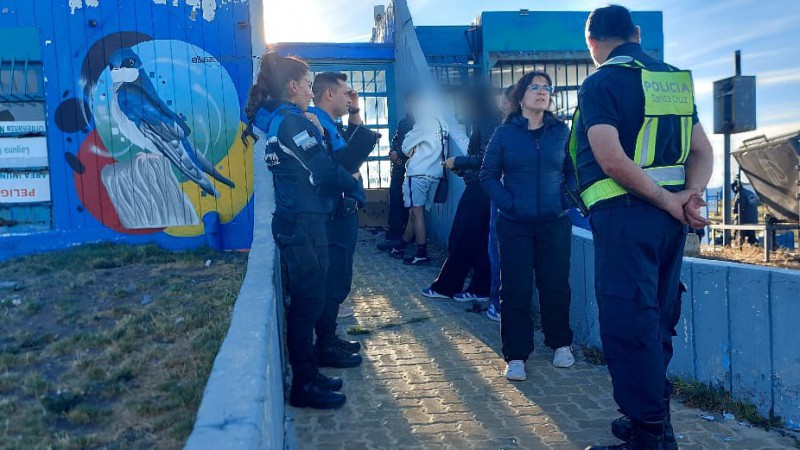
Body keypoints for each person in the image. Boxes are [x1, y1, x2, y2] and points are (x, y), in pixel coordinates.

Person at [569, 6, 713, 449]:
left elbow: (610, 157)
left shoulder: (600, 82)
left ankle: (649, 436)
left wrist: (669, 199)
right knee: (657, 320)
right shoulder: (670, 81)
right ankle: (654, 422)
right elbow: (702, 150)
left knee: (628, 324)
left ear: (592, 43)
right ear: (635, 33)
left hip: (627, 219)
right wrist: (690, 195)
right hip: (670, 226)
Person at [247, 52, 362, 409]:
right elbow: (325, 173)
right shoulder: (292, 123)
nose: (312, 92)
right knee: (306, 305)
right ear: (293, 86)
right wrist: (354, 185)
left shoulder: (289, 119)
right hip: (303, 224)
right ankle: (304, 385)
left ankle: (310, 376)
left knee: (309, 302)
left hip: (302, 221)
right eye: (309, 85)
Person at [480, 71, 577, 380]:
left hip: (554, 223)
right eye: (534, 87)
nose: (542, 92)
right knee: (515, 288)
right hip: (514, 224)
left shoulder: (561, 131)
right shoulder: (504, 134)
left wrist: (564, 202)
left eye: (547, 88)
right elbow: (487, 175)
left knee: (555, 286)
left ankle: (561, 344)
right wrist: (509, 204)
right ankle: (516, 355)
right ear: (520, 97)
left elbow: (574, 172)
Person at [306, 72, 366, 369]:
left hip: (343, 211)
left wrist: (354, 111)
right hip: (333, 214)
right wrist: (350, 179)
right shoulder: (316, 124)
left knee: (340, 277)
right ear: (329, 94)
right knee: (333, 280)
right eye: (345, 93)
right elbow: (332, 168)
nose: (348, 97)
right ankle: (325, 345)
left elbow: (352, 149)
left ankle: (330, 337)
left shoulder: (330, 123)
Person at [421, 84, 500, 302]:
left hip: (480, 189)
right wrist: (462, 168)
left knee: (461, 237)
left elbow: (487, 159)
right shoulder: (490, 119)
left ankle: (447, 286)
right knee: (481, 239)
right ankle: (479, 289)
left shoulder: (487, 122)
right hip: (485, 187)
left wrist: (459, 161)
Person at [389, 96, 448, 265]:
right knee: (415, 213)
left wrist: (411, 144)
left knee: (417, 213)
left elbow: (406, 147)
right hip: (436, 174)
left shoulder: (422, 123)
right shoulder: (442, 124)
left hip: (419, 173)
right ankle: (401, 246)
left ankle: (422, 252)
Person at [487, 84, 516, 323]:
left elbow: (489, 171)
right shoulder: (542, 130)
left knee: (497, 253)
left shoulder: (504, 131)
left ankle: (498, 304)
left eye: (505, 101)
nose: (501, 105)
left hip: (505, 205)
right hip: (511, 202)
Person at [377, 91, 415, 251]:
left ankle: (398, 235)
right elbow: (396, 140)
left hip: (407, 167)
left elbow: (412, 145)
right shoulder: (404, 122)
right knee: (398, 199)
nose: (409, 105)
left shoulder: (417, 123)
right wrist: (394, 154)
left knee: (402, 201)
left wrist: (398, 155)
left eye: (411, 102)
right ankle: (397, 234)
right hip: (400, 167)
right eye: (407, 102)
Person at [732, 179, 760, 245]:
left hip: (743, 221)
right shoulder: (750, 193)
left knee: (739, 239)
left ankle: (739, 252)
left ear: (735, 187)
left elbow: (736, 209)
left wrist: (734, 210)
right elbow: (757, 203)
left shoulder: (740, 194)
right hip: (753, 219)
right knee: (752, 239)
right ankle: (756, 251)